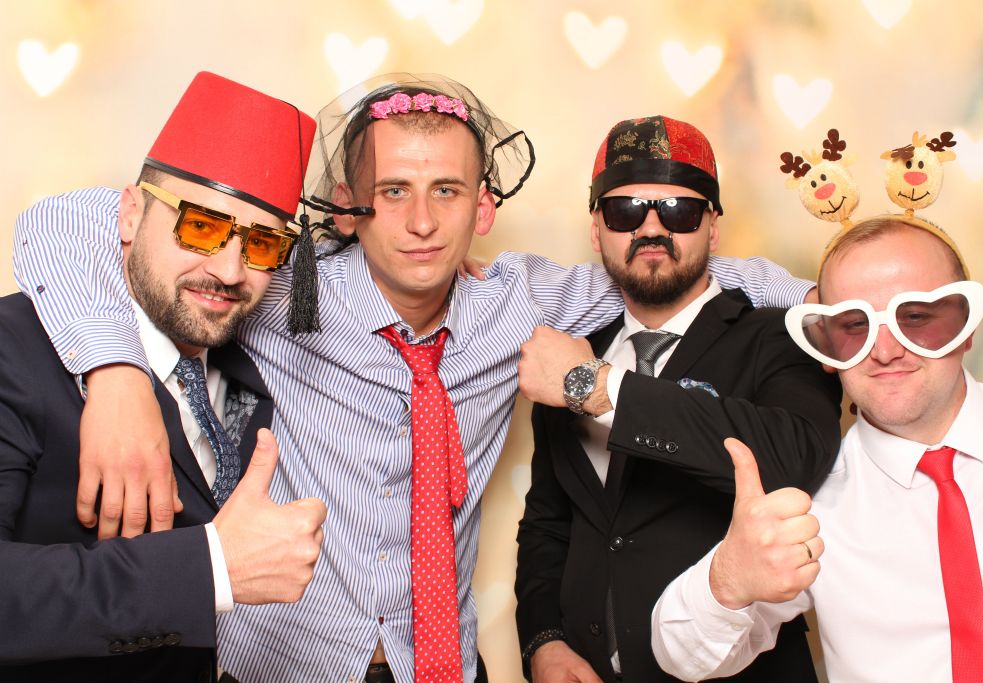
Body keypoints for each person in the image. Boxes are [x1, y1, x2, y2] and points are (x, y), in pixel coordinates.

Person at [13, 74, 815, 683]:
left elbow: (677, 266)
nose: (422, 222)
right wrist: (116, 371)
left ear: (483, 208)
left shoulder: (520, 301)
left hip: (444, 664)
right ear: (349, 207)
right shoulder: (273, 281)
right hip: (282, 664)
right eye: (393, 192)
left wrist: (832, 301)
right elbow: (73, 222)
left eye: (446, 192)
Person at [0, 71, 327, 681]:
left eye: (260, 246)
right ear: (128, 214)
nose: (229, 271)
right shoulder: (13, 351)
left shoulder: (249, 360)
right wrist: (212, 569)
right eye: (200, 227)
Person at [513, 116, 842, 682]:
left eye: (679, 211)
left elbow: (795, 458)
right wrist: (544, 642)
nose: (651, 228)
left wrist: (597, 387)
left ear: (712, 229)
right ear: (596, 231)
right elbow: (549, 522)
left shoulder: (780, 335)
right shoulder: (573, 352)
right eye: (624, 211)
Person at [651, 217, 983, 682]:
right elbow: (679, 655)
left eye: (916, 318)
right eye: (855, 326)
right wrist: (727, 580)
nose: (885, 351)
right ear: (825, 349)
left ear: (965, 327)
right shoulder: (808, 503)